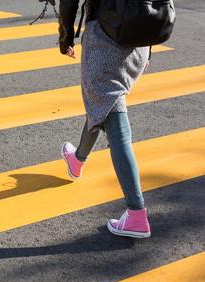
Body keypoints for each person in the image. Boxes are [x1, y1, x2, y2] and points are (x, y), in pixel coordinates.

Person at [58, 0, 151, 238]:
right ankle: (77, 159)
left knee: (115, 120)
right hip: (139, 39)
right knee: (104, 101)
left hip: (106, 37)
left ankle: (136, 213)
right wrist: (149, 46)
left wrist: (66, 37)